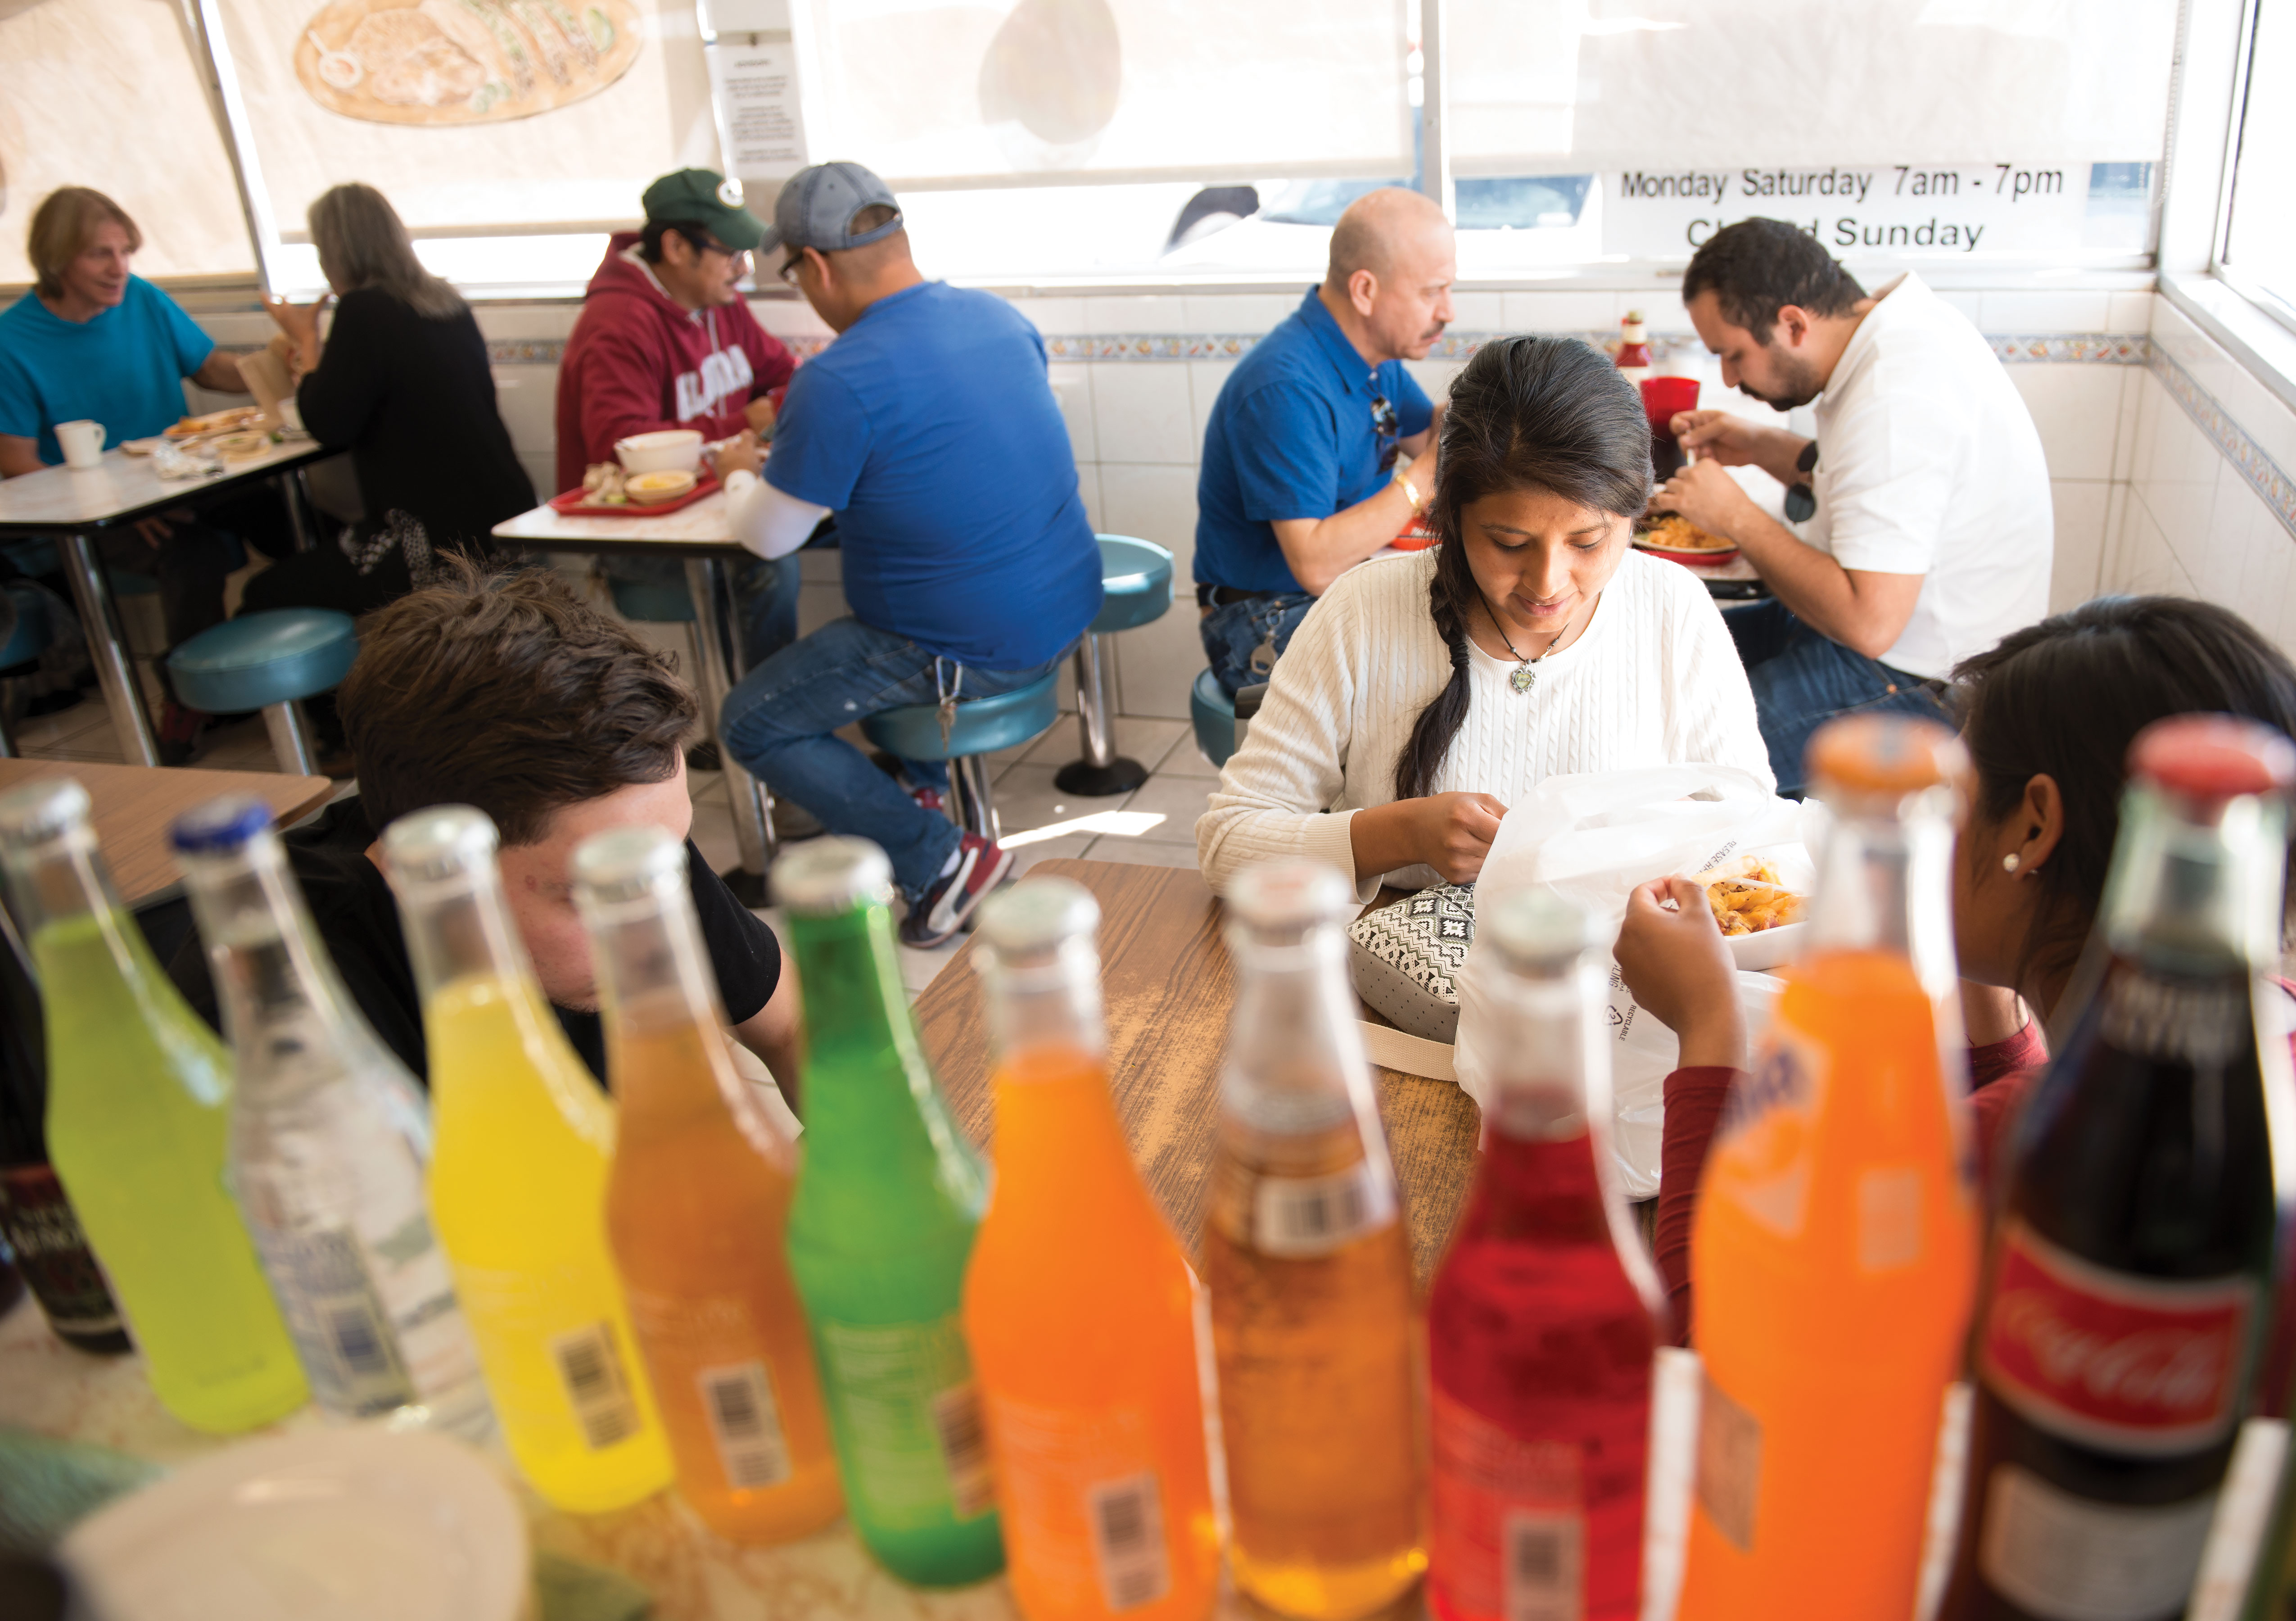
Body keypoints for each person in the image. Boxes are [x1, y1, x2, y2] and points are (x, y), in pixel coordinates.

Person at [1616, 594, 2296, 1344]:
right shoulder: (2267, 1024)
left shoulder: (2061, 1142)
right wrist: (1982, 953)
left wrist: (1708, 1023)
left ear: (2033, 827)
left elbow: (1718, 1330)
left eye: (1957, 794)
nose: (1935, 819)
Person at [166, 559, 800, 1099]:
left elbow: (791, 1026)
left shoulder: (621, 837)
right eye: (595, 894)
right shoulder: (280, 1017)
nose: (657, 926)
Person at [1195, 335, 1772, 901]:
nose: (1547, 582)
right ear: (1450, 517)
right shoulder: (1363, 611)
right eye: (1509, 542)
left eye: (1588, 542)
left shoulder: (1673, 607)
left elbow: (1754, 834)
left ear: (1634, 518)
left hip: (1617, 975)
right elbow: (1227, 845)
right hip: (1395, 981)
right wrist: (1399, 834)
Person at [713, 161, 1102, 946]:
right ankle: (921, 791)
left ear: (814, 267)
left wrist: (735, 479)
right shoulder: (998, 320)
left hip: (968, 645)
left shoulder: (839, 379)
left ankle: (942, 861)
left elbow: (767, 537)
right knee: (889, 608)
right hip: (1064, 605)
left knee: (751, 720)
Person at [1654, 218, 2053, 796]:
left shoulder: (1897, 394)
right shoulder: (1895, 331)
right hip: (1880, 636)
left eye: (1734, 355)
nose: (1729, 377)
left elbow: (1869, 623)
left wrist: (1735, 516)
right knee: (1675, 645)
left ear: (1793, 323)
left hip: (1919, 678)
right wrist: (1766, 447)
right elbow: (1877, 485)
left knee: (1686, 754)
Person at [0, 187, 294, 754]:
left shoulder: (142, 299)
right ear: (56, 259)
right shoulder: (13, 341)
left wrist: (284, 367)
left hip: (176, 480)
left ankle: (318, 692)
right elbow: (14, 460)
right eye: (100, 255)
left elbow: (210, 369)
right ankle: (186, 700)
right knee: (192, 552)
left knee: (284, 513)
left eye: (125, 252)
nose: (119, 270)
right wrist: (108, 509)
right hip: (92, 515)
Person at [1192, 187, 1455, 697]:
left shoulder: (1376, 358)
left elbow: (1430, 436)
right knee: (1442, 679)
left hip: (1334, 587)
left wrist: (1495, 396)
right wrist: (1422, 476)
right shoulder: (1287, 389)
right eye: (1432, 292)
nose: (1449, 311)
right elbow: (1314, 565)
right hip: (1260, 616)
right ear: (1365, 290)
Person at [556, 168, 800, 671]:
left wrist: (765, 414)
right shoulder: (619, 323)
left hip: (711, 505)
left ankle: (750, 729)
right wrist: (743, 424)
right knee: (769, 565)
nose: (742, 269)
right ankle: (754, 732)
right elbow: (620, 444)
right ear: (675, 247)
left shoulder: (721, 303)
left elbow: (785, 375)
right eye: (730, 254)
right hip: (640, 538)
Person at [250, 183, 533, 616]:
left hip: (433, 542)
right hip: (506, 522)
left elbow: (327, 422)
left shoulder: (363, 310)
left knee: (266, 593)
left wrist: (306, 339)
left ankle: (352, 686)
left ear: (334, 254)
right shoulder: (447, 302)